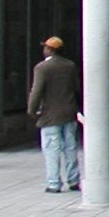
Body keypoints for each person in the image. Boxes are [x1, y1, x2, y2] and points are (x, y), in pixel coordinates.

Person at [28, 36, 81, 194]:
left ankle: (54, 183)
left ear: (50, 50)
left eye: (45, 47)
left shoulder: (42, 68)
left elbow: (36, 91)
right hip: (69, 112)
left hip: (50, 115)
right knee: (70, 147)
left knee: (52, 149)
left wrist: (32, 110)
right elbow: (76, 88)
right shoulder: (70, 65)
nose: (43, 50)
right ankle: (74, 181)